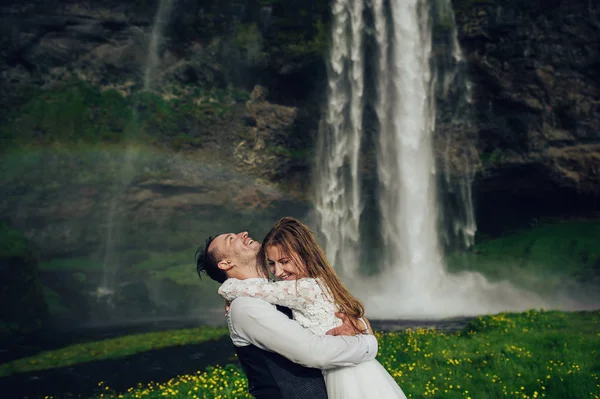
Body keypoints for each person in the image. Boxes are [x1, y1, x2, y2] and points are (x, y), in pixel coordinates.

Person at [218, 217, 407, 399]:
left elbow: (264, 290)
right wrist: (366, 338)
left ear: (305, 256)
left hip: (345, 372)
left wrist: (230, 289)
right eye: (272, 264)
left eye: (284, 262)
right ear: (225, 263)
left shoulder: (302, 288)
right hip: (346, 366)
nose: (277, 271)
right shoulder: (256, 302)